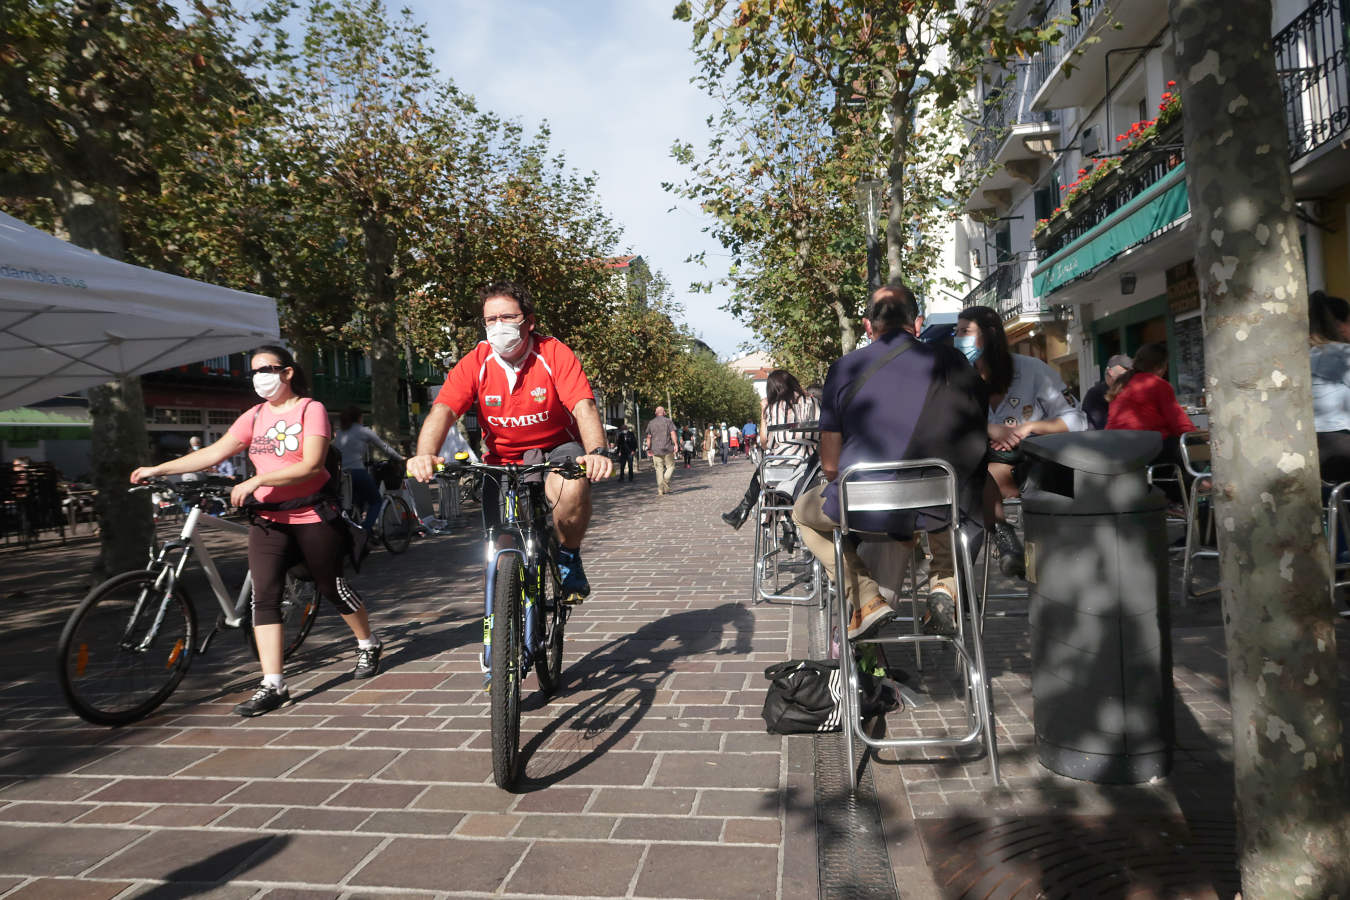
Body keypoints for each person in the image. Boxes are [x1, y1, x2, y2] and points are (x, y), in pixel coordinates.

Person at [130, 345, 383, 717]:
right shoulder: (254, 415)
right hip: (267, 518)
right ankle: (273, 684)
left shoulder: (310, 410)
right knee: (263, 596)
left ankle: (367, 642)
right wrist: (160, 469)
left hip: (311, 513)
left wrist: (258, 478)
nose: (259, 377)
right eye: (253, 371)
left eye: (267, 369)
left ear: (288, 372)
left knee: (331, 587)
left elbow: (312, 465)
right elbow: (214, 452)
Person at [793, 285, 988, 639]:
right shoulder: (953, 364)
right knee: (944, 485)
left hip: (865, 506)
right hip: (937, 503)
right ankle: (945, 583)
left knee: (801, 514)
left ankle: (866, 598)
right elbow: (972, 439)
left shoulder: (844, 368)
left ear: (869, 326)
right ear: (917, 322)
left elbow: (831, 464)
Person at [407, 281, 613, 601]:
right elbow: (443, 410)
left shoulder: (553, 353)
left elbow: (582, 405)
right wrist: (424, 454)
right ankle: (507, 616)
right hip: (502, 458)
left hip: (557, 448)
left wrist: (598, 451)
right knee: (499, 547)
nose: (498, 326)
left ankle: (568, 556)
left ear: (528, 322)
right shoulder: (476, 362)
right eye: (490, 319)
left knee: (572, 488)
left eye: (507, 317)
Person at [955, 305, 1088, 577]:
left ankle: (1048, 568)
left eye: (965, 331)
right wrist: (989, 429)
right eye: (956, 332)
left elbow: (1076, 421)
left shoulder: (1031, 370)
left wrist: (1030, 428)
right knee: (979, 477)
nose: (958, 339)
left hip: (1034, 465)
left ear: (989, 335)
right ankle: (1007, 547)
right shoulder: (956, 378)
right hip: (983, 473)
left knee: (1056, 487)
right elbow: (946, 426)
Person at [722, 369, 819, 529]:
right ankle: (788, 521)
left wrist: (763, 412)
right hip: (809, 462)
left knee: (766, 473)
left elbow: (766, 443)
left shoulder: (773, 408)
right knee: (774, 476)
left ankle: (744, 510)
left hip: (782, 463)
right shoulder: (813, 402)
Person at [1105, 343, 1196, 497]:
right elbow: (1181, 426)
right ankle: (1192, 498)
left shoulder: (1121, 384)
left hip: (1117, 450)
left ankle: (1171, 502)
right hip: (1147, 448)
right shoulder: (1158, 385)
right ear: (1161, 366)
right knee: (1188, 450)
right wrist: (1201, 436)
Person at [334, 406, 403, 531]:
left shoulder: (339, 434)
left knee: (351, 505)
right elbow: (384, 447)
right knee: (376, 501)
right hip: (357, 472)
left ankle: (354, 529)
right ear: (359, 418)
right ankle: (365, 531)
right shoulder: (364, 431)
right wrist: (399, 458)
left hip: (342, 475)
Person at [1308, 291, 1350, 483]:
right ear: (1339, 324)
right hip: (1340, 444)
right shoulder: (1342, 353)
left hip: (1308, 448)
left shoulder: (1295, 358)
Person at [1081, 354, 1133, 430]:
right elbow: (1100, 426)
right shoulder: (1095, 394)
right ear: (1110, 372)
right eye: (1125, 373)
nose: (1128, 377)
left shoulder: (1129, 391)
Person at [644, 405, 678, 496]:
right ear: (664, 413)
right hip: (668, 448)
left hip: (656, 449)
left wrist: (649, 448)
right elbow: (673, 433)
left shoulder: (651, 423)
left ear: (655, 413)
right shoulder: (668, 421)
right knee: (670, 466)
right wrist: (676, 444)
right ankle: (665, 482)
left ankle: (660, 490)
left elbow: (648, 437)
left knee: (659, 469)